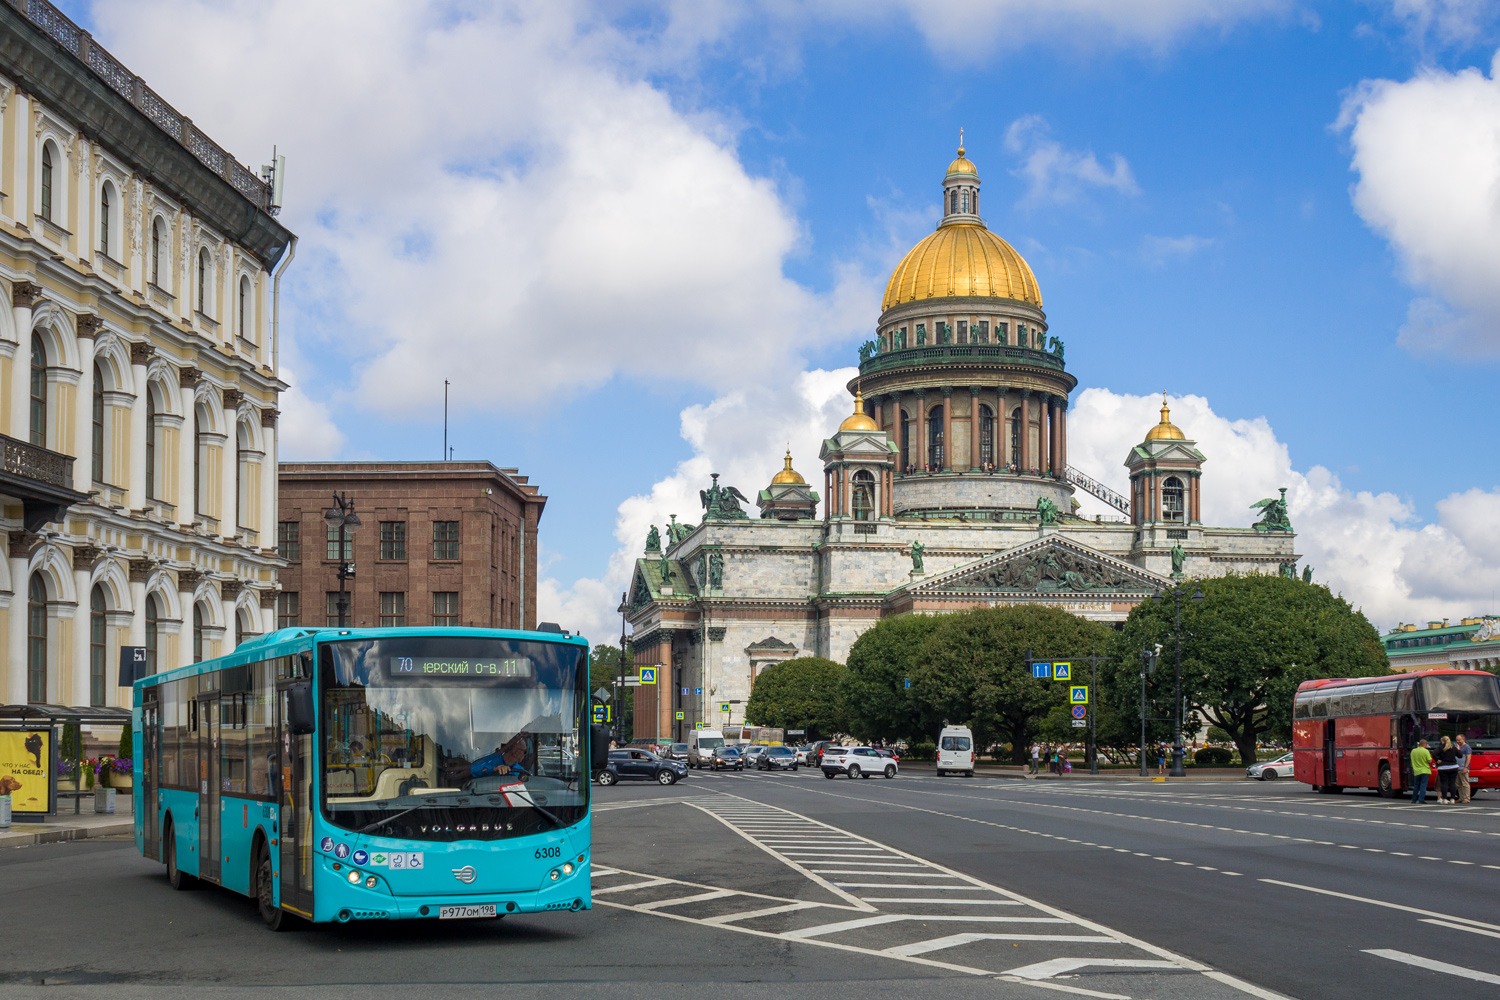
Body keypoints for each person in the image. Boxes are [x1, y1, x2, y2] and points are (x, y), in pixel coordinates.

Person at [1434, 736, 1460, 804]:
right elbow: (1460, 755)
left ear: (1442, 741)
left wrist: (1437, 760)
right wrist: (1458, 749)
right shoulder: (1453, 747)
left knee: (1444, 783)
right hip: (1453, 767)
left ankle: (1444, 799)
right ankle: (1452, 799)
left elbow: (1434, 753)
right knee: (1452, 783)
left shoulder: (1440, 747)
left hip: (1443, 767)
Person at [1409, 738, 1432, 804]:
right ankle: (1421, 799)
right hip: (1425, 770)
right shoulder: (1426, 751)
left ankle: (1413, 799)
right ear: (1425, 744)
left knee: (1416, 786)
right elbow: (1429, 760)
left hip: (1416, 771)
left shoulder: (1413, 751)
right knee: (1423, 786)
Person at [1456, 735, 1472, 804]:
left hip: (1463, 768)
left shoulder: (1467, 747)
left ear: (1463, 739)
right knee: (1458, 784)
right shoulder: (1459, 747)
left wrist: (1466, 767)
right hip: (1457, 768)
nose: (1458, 741)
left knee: (1465, 783)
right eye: (1457, 740)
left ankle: (1466, 798)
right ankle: (1461, 797)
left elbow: (1468, 757)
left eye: (1459, 740)